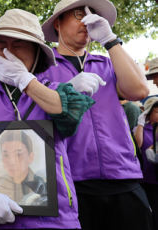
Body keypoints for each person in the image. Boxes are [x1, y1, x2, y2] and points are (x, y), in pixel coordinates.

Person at [0, 8, 95, 229]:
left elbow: (68, 115)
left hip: (55, 220)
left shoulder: (57, 90)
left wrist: (24, 80)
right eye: (1, 45)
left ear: (36, 52)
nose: (8, 51)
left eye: (18, 44)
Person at [40, 0, 153, 229]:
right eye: (78, 14)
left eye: (91, 14)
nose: (86, 20)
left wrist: (110, 40)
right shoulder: (42, 67)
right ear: (57, 24)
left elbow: (139, 91)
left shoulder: (108, 63)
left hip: (124, 178)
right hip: (71, 182)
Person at [0, 130, 47, 206]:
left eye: (18, 154)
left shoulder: (40, 186)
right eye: (6, 155)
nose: (12, 162)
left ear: (31, 157)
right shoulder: (0, 183)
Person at [134, 96, 158, 228]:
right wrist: (141, 124)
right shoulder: (142, 128)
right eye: (157, 111)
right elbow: (138, 144)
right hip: (147, 178)